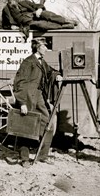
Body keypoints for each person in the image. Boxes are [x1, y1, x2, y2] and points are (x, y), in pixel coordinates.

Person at [13, 37, 63, 166]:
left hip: (39, 97)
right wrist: (22, 103)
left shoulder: (41, 62)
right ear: (37, 47)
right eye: (44, 46)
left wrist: (56, 75)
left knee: (48, 124)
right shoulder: (28, 62)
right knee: (26, 127)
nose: (46, 48)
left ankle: (42, 155)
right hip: (28, 98)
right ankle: (24, 159)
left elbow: (50, 71)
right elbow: (20, 83)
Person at [1, 0, 75, 37]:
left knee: (46, 14)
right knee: (42, 25)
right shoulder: (6, 10)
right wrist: (11, 27)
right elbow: (4, 25)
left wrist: (39, 9)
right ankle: (64, 26)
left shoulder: (24, 3)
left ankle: (66, 21)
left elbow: (37, 5)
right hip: (27, 23)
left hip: (35, 15)